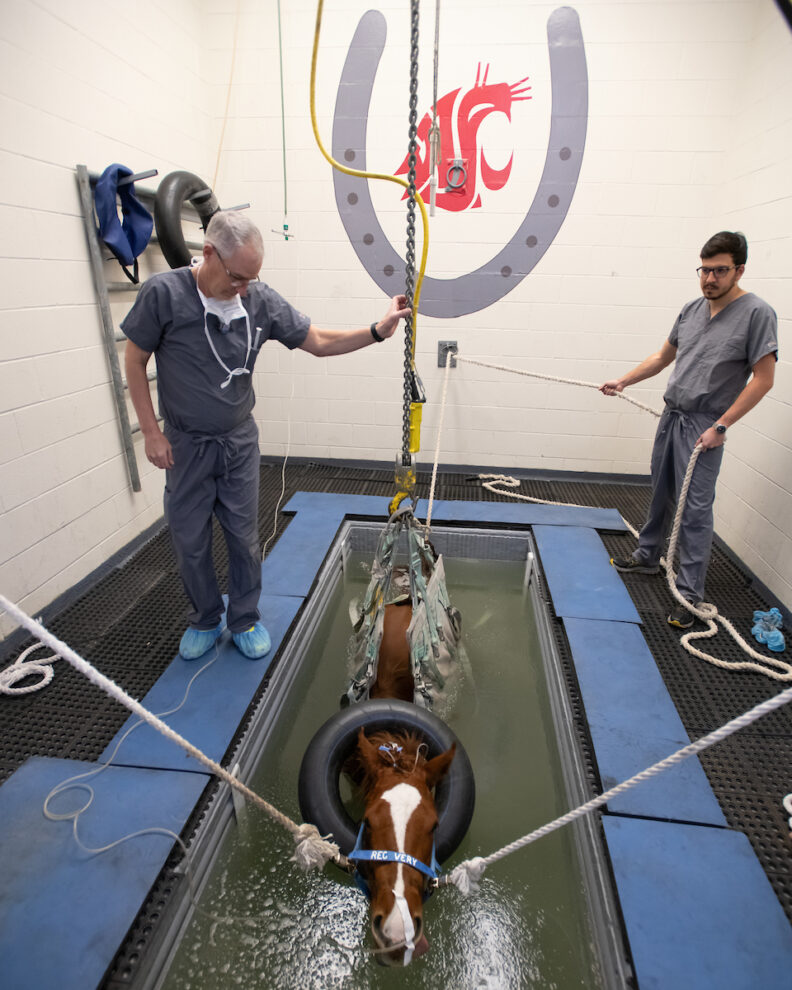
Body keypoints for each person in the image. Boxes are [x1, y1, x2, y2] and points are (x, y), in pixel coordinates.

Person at [122, 210, 410, 660]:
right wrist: (152, 434)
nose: (243, 288)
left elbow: (317, 340)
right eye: (237, 277)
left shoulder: (258, 299)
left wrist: (377, 331)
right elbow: (134, 359)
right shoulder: (163, 294)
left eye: (251, 279)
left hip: (237, 442)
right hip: (186, 444)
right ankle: (204, 617)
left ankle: (243, 618)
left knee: (243, 536)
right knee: (190, 540)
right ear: (209, 253)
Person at [599, 231, 777, 629]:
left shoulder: (756, 313)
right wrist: (625, 380)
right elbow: (664, 356)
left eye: (719, 271)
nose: (710, 278)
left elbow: (763, 379)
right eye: (704, 270)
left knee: (694, 510)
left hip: (706, 425)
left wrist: (722, 425)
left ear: (739, 270)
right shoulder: (692, 309)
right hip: (672, 415)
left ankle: (690, 595)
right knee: (660, 490)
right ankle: (647, 556)